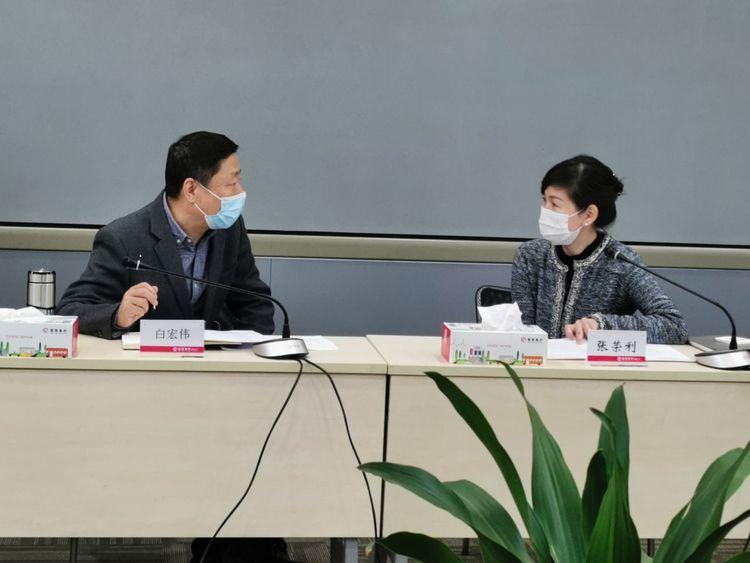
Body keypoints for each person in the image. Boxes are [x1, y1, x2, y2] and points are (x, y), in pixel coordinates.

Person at [57, 131, 296, 563]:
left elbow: (255, 303)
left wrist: (252, 360)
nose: (240, 192)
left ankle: (243, 549)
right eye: (231, 182)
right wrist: (118, 315)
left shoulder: (228, 231)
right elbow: (72, 310)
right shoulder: (124, 237)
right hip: (147, 396)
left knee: (254, 450)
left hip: (219, 394)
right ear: (192, 189)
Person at [511, 154, 688, 344]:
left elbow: (674, 326)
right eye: (544, 200)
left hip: (593, 363)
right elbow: (521, 331)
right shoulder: (530, 255)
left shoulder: (622, 263)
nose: (545, 210)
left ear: (589, 215)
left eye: (554, 204)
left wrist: (601, 325)